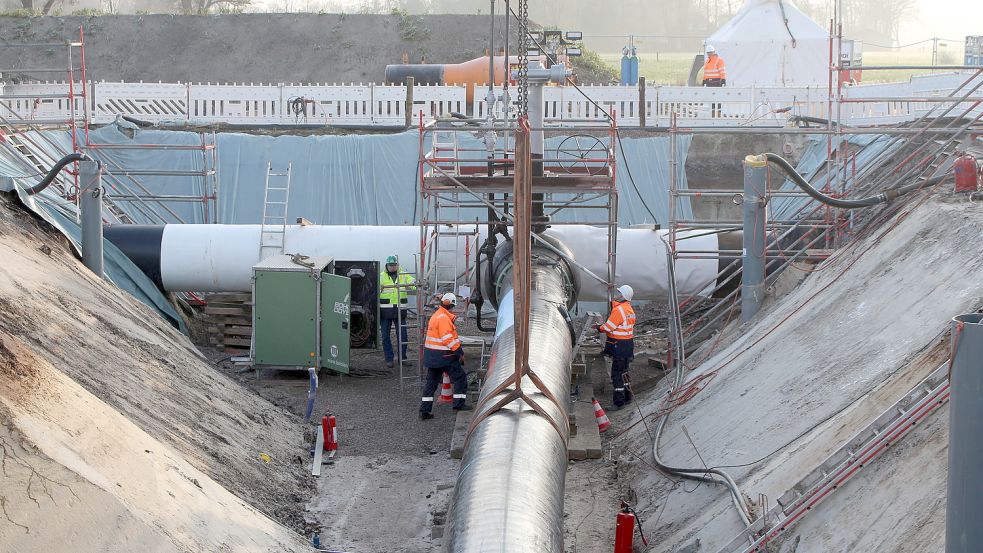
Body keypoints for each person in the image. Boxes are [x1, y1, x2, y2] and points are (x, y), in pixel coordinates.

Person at [420, 293, 471, 420]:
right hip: (445, 356)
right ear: (452, 304)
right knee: (460, 378)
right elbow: (448, 339)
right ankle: (458, 405)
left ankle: (424, 411)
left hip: (432, 356)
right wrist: (459, 352)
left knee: (431, 384)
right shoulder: (443, 318)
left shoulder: (436, 315)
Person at [597, 284, 636, 411]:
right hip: (628, 345)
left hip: (619, 345)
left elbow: (608, 327)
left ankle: (619, 402)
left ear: (623, 296)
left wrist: (599, 327)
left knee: (616, 374)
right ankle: (628, 397)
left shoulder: (619, 310)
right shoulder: (629, 309)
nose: (617, 295)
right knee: (624, 372)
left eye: (619, 293)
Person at [379, 255, 416, 369]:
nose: (392, 267)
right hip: (385, 312)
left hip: (400, 311)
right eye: (390, 265)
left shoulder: (404, 275)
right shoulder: (381, 276)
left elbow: (413, 284)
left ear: (397, 265)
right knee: (385, 336)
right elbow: (374, 290)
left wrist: (417, 282)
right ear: (387, 265)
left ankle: (403, 358)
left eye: (394, 265)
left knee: (403, 336)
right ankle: (389, 359)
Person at [702, 44, 726, 118]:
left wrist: (723, 79)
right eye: (708, 53)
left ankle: (718, 115)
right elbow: (706, 72)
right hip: (709, 82)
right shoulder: (707, 61)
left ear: (714, 52)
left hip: (716, 82)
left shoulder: (719, 60)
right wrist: (704, 80)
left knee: (717, 99)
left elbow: (722, 71)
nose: (709, 54)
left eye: (710, 52)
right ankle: (713, 115)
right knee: (711, 99)